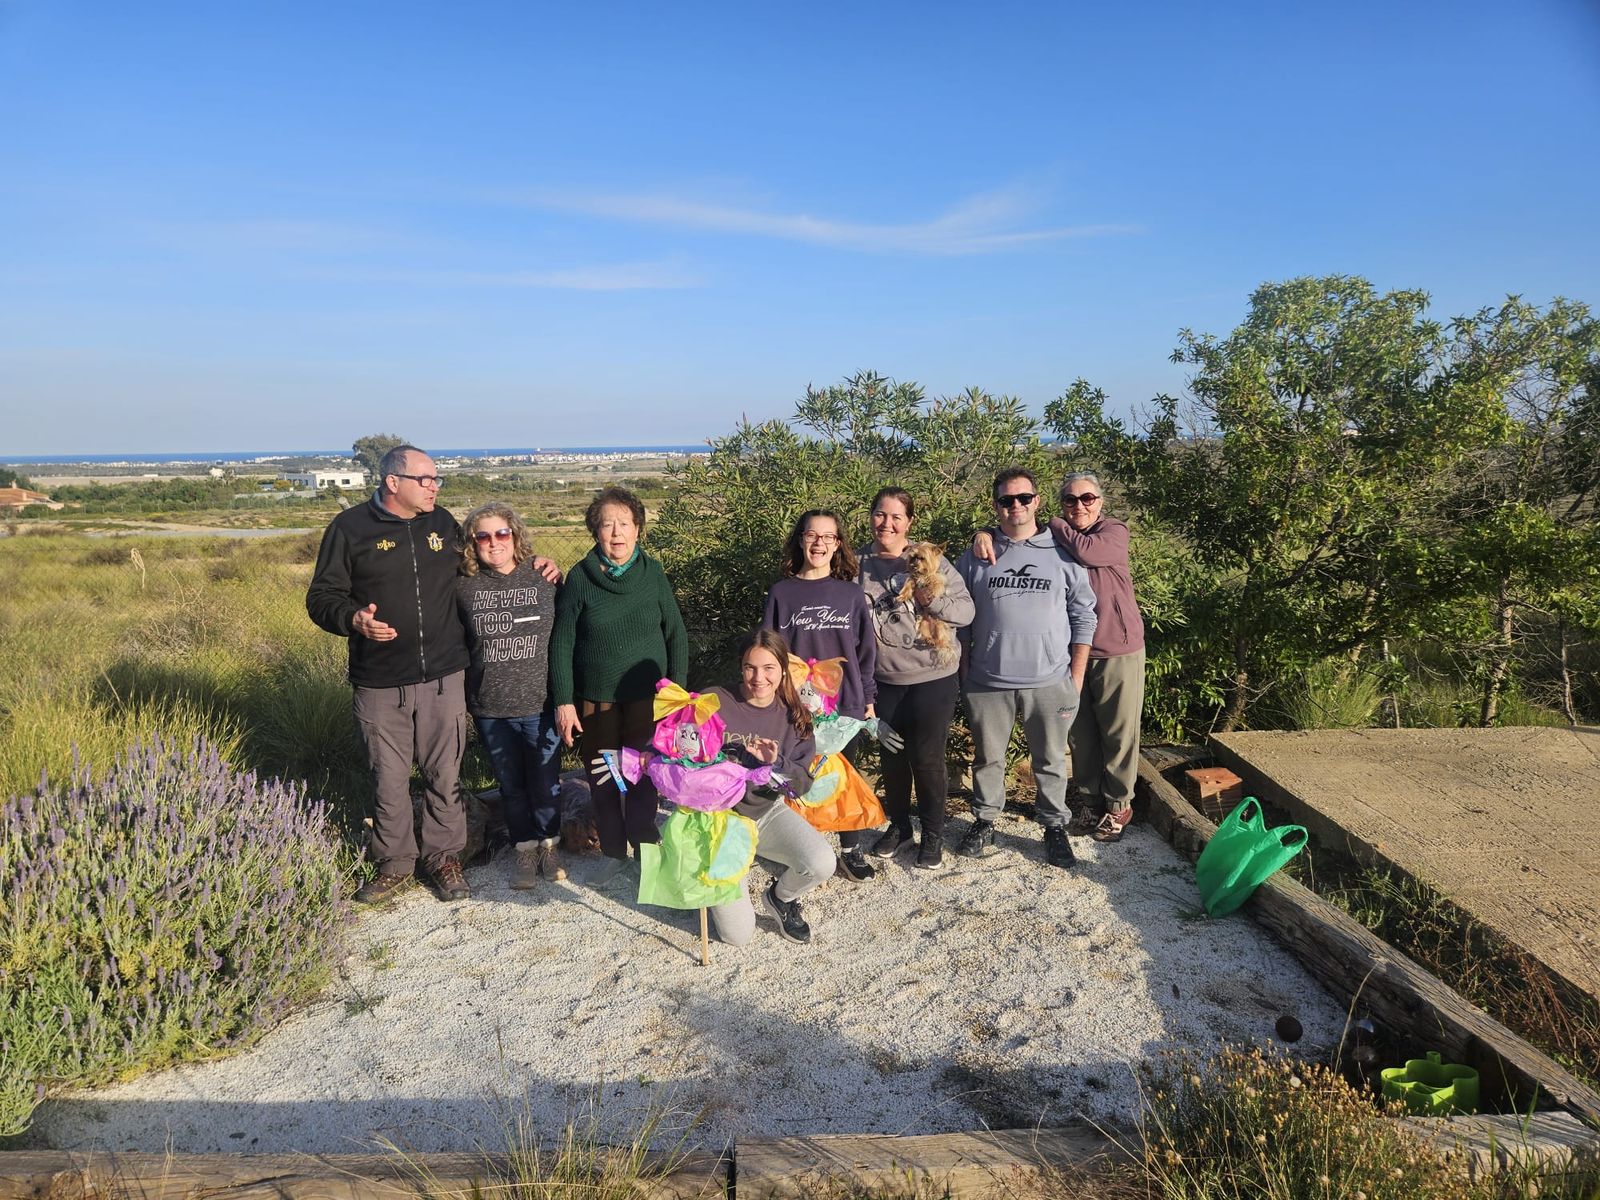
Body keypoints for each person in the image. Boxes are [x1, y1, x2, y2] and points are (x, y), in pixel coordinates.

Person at [306, 444, 473, 904]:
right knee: (389, 778)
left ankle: (443, 858)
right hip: (379, 682)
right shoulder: (349, 528)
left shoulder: (442, 524)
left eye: (437, 479)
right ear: (393, 482)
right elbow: (322, 598)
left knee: (445, 773)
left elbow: (480, 568)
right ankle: (396, 864)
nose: (435, 486)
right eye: (426, 479)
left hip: (444, 676)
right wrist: (354, 619)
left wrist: (536, 568)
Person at [974, 472, 1146, 843]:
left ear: (1100, 501)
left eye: (1087, 498)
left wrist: (1049, 521)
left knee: (1118, 733)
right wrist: (986, 532)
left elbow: (1088, 553)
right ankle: (1090, 802)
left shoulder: (1110, 531)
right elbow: (1017, 535)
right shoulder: (1057, 540)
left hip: (1117, 648)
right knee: (1079, 736)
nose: (1079, 505)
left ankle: (1119, 805)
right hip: (1068, 655)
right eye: (1070, 500)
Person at [954, 468, 1097, 870]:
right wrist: (964, 672)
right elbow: (958, 616)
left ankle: (1053, 826)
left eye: (1023, 498)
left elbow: (1084, 615)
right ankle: (985, 820)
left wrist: (1077, 676)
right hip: (987, 681)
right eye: (1006, 500)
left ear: (1037, 501)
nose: (1015, 506)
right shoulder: (977, 554)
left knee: (1050, 759)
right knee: (987, 758)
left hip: (1051, 680)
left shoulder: (1064, 551)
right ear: (996, 506)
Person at [551, 485, 688, 881]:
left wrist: (677, 696)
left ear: (638, 529)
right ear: (595, 531)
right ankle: (614, 853)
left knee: (644, 777)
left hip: (649, 700)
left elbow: (676, 633)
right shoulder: (581, 577)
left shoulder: (653, 573)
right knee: (604, 778)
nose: (616, 533)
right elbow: (562, 643)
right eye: (607, 525)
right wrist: (564, 701)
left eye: (624, 523)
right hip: (598, 703)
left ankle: (645, 849)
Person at [857, 487, 974, 869]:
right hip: (883, 679)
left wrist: (928, 599)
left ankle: (934, 834)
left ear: (909, 522)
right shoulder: (855, 563)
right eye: (879, 514)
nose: (886, 524)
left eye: (895, 517)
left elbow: (966, 612)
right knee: (891, 758)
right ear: (870, 516)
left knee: (926, 758)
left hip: (932, 676)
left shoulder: (931, 560)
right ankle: (900, 826)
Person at [761, 509, 879, 882]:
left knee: (844, 775)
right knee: (793, 774)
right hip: (796, 705)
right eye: (813, 535)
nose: (820, 543)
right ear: (801, 540)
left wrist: (868, 699)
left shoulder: (851, 594)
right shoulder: (782, 593)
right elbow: (768, 651)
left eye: (828, 537)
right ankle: (797, 848)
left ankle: (850, 848)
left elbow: (865, 653)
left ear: (838, 544)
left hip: (843, 704)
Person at [456, 501, 565, 889]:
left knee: (545, 782)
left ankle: (550, 846)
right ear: (472, 543)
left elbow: (569, 634)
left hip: (540, 704)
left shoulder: (544, 578)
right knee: (511, 786)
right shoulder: (463, 585)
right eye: (482, 536)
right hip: (490, 708)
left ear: (515, 535)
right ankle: (524, 849)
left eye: (502, 533)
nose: (493, 542)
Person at [705, 629, 834, 946]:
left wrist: (777, 764)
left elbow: (801, 785)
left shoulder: (794, 717)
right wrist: (638, 760)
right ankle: (726, 871)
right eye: (750, 667)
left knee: (821, 862)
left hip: (766, 812)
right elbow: (675, 745)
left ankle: (780, 897)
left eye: (768, 668)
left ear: (782, 670)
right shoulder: (713, 701)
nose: (758, 677)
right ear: (741, 667)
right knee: (737, 936)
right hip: (721, 823)